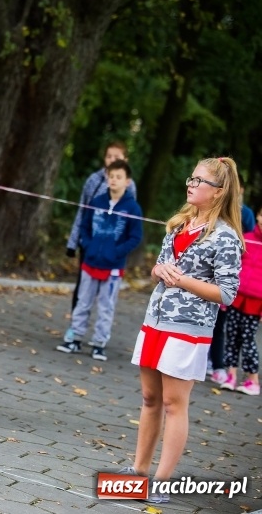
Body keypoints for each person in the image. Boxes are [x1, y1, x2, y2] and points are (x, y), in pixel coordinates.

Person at [119, 157, 243, 504]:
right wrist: (160, 272)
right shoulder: (178, 224)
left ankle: (162, 480)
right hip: (155, 320)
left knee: (175, 405)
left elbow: (227, 293)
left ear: (218, 193)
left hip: (188, 329)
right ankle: (138, 472)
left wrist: (184, 281)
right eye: (191, 177)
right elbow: (159, 268)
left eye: (199, 180)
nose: (190, 183)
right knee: (149, 399)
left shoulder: (226, 238)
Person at [55, 159, 143, 361]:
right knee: (83, 301)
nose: (114, 180)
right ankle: (75, 338)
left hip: (113, 268)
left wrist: (116, 252)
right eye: (111, 176)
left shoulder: (133, 209)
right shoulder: (97, 202)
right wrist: (87, 244)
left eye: (118, 177)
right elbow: (85, 227)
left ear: (127, 181)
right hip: (90, 262)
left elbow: (135, 237)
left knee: (106, 306)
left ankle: (99, 343)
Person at [66, 142, 137, 312]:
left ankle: (100, 335)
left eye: (117, 157)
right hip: (91, 245)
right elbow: (82, 212)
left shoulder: (130, 186)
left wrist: (120, 249)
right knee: (83, 289)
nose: (112, 160)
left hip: (113, 248)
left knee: (106, 295)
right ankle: (75, 329)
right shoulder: (94, 181)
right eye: (109, 156)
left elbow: (130, 220)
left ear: (125, 159)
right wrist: (74, 242)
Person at [208, 173, 256, 383]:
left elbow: (249, 251)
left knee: (221, 325)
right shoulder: (208, 207)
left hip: (229, 278)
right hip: (206, 274)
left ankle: (218, 365)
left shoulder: (245, 215)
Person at [218, 207, 262, 395]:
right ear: (258, 216)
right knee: (231, 336)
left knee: (247, 338)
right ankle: (231, 375)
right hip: (237, 298)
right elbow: (234, 265)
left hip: (256, 303)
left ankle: (253, 379)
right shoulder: (246, 238)